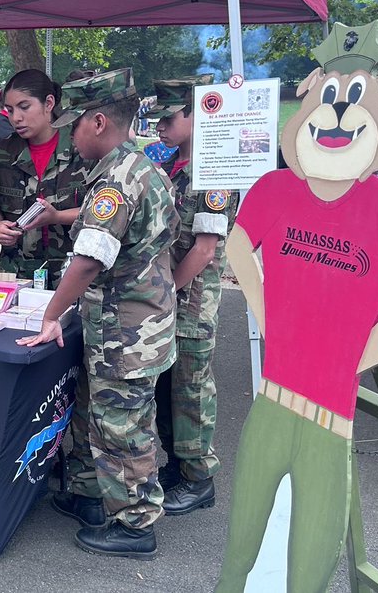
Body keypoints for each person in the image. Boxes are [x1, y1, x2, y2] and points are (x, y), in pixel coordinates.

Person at [217, 21, 378, 591]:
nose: (339, 112)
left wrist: (351, 358)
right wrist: (266, 316)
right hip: (272, 401)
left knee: (309, 564)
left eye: (356, 96)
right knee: (241, 548)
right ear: (311, 98)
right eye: (330, 96)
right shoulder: (274, 189)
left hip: (330, 418)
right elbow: (239, 245)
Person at [20, 68, 179, 559]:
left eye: (74, 125)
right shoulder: (139, 167)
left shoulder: (116, 182)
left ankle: (135, 526)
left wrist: (50, 315)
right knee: (107, 416)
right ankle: (94, 494)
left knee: (123, 427)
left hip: (125, 332)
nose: (69, 134)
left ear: (98, 122)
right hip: (132, 327)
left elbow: (88, 260)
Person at [145, 76, 238, 517]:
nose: (160, 126)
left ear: (198, 115)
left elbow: (204, 249)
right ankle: (178, 467)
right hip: (168, 300)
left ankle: (199, 477)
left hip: (191, 303)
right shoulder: (175, 166)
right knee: (167, 389)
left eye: (168, 117)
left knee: (191, 391)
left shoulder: (214, 172)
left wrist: (167, 293)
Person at [0, 69, 89, 281]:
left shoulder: (83, 148)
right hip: (17, 274)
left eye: (24, 107)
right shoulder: (4, 153)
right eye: (10, 110)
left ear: (49, 103)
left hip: (73, 276)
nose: (16, 118)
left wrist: (57, 217)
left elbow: (103, 210)